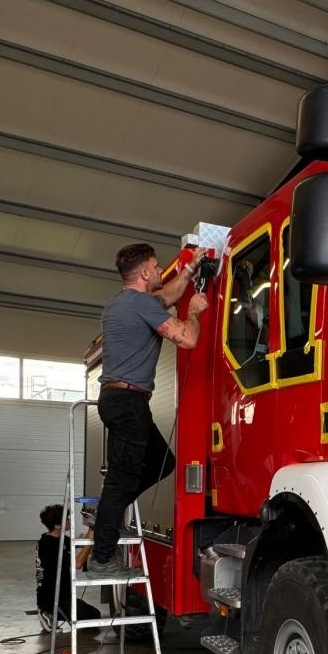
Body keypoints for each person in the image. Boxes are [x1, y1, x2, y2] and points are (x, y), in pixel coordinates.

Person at [88, 242, 208, 577]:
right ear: (143, 273)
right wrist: (195, 311)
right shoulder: (142, 305)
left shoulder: (121, 304)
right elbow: (187, 339)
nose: (158, 271)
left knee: (162, 461)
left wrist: (189, 269)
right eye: (155, 267)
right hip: (128, 403)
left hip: (122, 401)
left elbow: (167, 296)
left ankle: (111, 513)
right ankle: (101, 559)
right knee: (119, 481)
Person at [36, 504, 100, 626]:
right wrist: (91, 541)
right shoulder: (49, 545)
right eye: (67, 519)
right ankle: (48, 612)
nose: (70, 521)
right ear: (57, 526)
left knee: (95, 614)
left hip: (63, 595)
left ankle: (52, 611)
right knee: (94, 618)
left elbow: (80, 544)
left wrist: (91, 528)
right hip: (54, 600)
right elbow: (78, 564)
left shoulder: (57, 538)